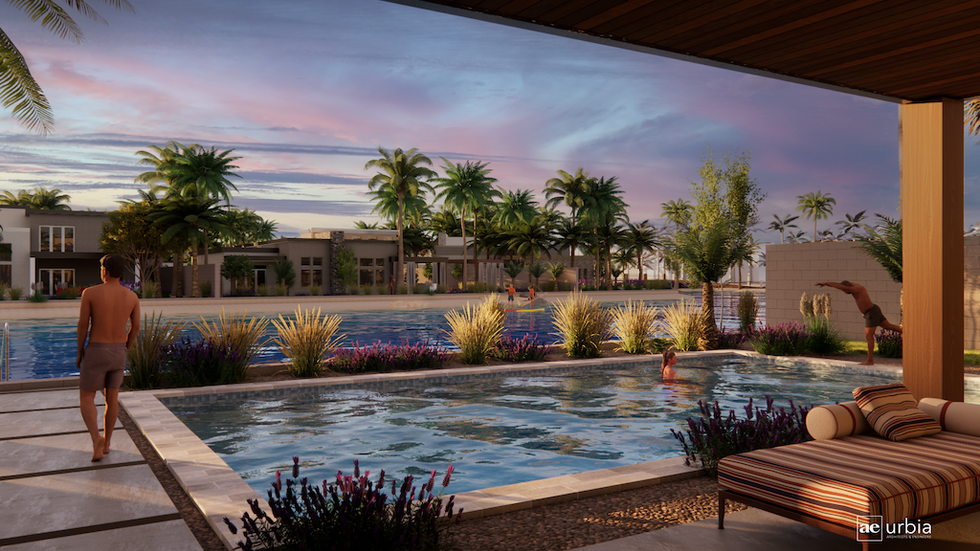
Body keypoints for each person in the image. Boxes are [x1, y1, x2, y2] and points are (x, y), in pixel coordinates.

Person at [77, 255, 140, 461]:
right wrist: (125, 348)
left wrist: (79, 352)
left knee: (87, 397)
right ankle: (107, 444)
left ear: (105, 270)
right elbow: (135, 327)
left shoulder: (90, 293)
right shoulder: (132, 297)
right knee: (112, 400)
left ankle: (97, 439)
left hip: (97, 350)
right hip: (118, 351)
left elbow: (83, 325)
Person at [816, 280, 902, 365]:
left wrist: (826, 283)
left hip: (871, 312)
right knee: (888, 326)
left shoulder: (857, 289)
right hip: (873, 310)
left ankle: (870, 360)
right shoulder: (854, 285)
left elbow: (840, 286)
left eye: (845, 291)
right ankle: (906, 332)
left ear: (847, 288)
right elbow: (844, 285)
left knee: (868, 336)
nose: (845, 292)